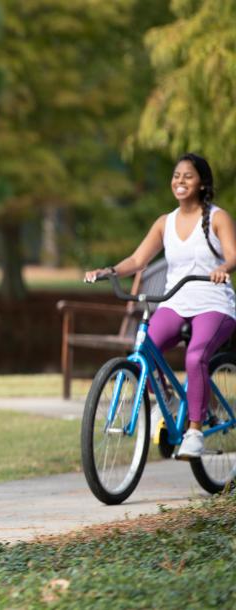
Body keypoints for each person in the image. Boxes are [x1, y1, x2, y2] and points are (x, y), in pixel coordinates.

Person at [84, 153, 236, 458]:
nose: (180, 181)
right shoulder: (165, 223)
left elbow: (233, 255)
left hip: (213, 302)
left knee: (195, 358)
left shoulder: (217, 218)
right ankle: (168, 403)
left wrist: (224, 269)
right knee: (143, 352)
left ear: (202, 184)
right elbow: (138, 261)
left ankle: (194, 430)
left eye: (188, 176)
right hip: (175, 301)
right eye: (176, 175)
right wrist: (109, 271)